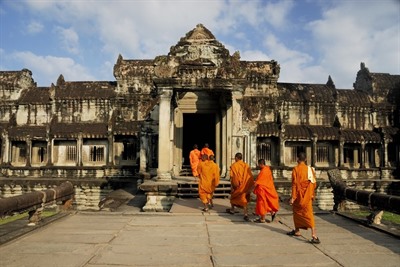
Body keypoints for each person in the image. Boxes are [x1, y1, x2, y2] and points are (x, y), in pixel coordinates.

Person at [287, 152, 320, 244]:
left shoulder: (296, 169)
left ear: (297, 159)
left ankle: (302, 232)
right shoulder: (310, 170)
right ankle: (311, 234)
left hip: (298, 196)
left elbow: (294, 185)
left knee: (297, 213)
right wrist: (312, 194)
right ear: (305, 160)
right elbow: (313, 184)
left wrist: (293, 197)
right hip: (307, 196)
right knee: (308, 214)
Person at [227, 152, 254, 221]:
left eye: (235, 158)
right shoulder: (246, 166)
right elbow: (250, 177)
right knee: (243, 199)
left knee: (233, 197)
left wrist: (232, 186)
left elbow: (232, 177)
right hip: (244, 186)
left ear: (236, 158)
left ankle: (237, 211)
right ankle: (244, 213)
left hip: (237, 185)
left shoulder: (233, 165)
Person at [252, 159, 279, 223]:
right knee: (266, 202)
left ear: (261, 164)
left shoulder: (264, 171)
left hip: (263, 189)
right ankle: (272, 212)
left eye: (258, 164)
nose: (258, 166)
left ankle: (262, 218)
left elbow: (259, 181)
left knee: (262, 203)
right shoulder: (268, 169)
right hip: (267, 188)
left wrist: (252, 186)